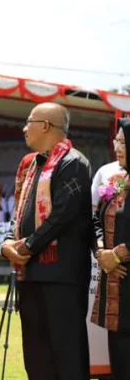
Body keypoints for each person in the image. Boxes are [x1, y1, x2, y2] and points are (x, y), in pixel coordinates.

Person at [2, 102, 92, 380]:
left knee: (65, 352)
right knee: (36, 354)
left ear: (45, 125)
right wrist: (8, 243)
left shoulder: (73, 163)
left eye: (29, 122)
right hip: (31, 274)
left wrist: (28, 246)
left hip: (61, 276)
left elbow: (62, 215)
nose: (24, 129)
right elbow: (20, 214)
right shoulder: (33, 166)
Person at [91, 118, 130, 378]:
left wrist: (117, 255)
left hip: (123, 272)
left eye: (123, 142)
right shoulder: (116, 178)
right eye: (117, 141)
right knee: (120, 356)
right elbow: (95, 218)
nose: (117, 147)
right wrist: (102, 252)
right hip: (116, 284)